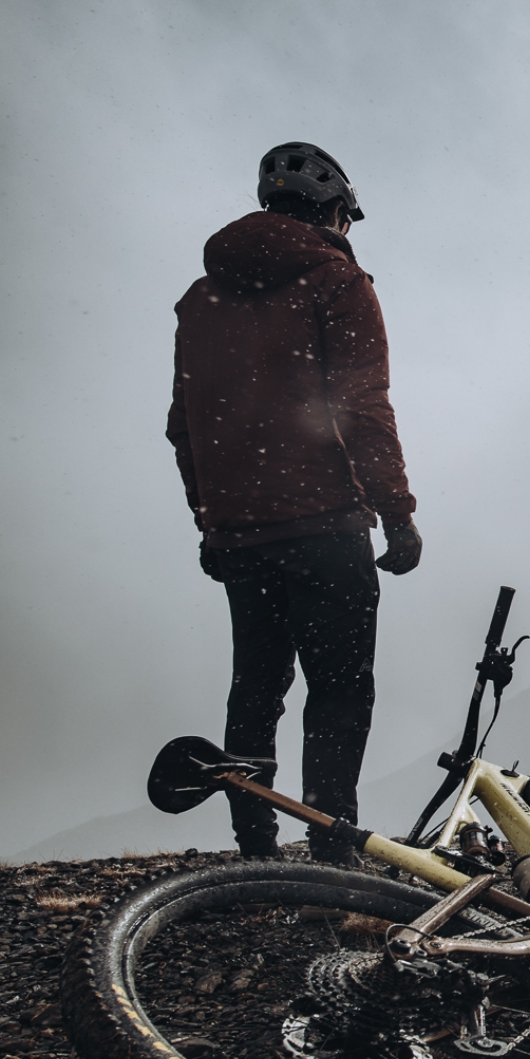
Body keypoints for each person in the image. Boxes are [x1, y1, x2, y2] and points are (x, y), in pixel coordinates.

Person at [165, 142, 422, 863]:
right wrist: (397, 513)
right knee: (338, 691)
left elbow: (185, 425)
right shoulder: (336, 280)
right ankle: (333, 849)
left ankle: (255, 847)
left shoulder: (201, 298)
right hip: (324, 524)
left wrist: (211, 520)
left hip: (241, 534)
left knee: (257, 684)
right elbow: (362, 405)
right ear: (336, 209)